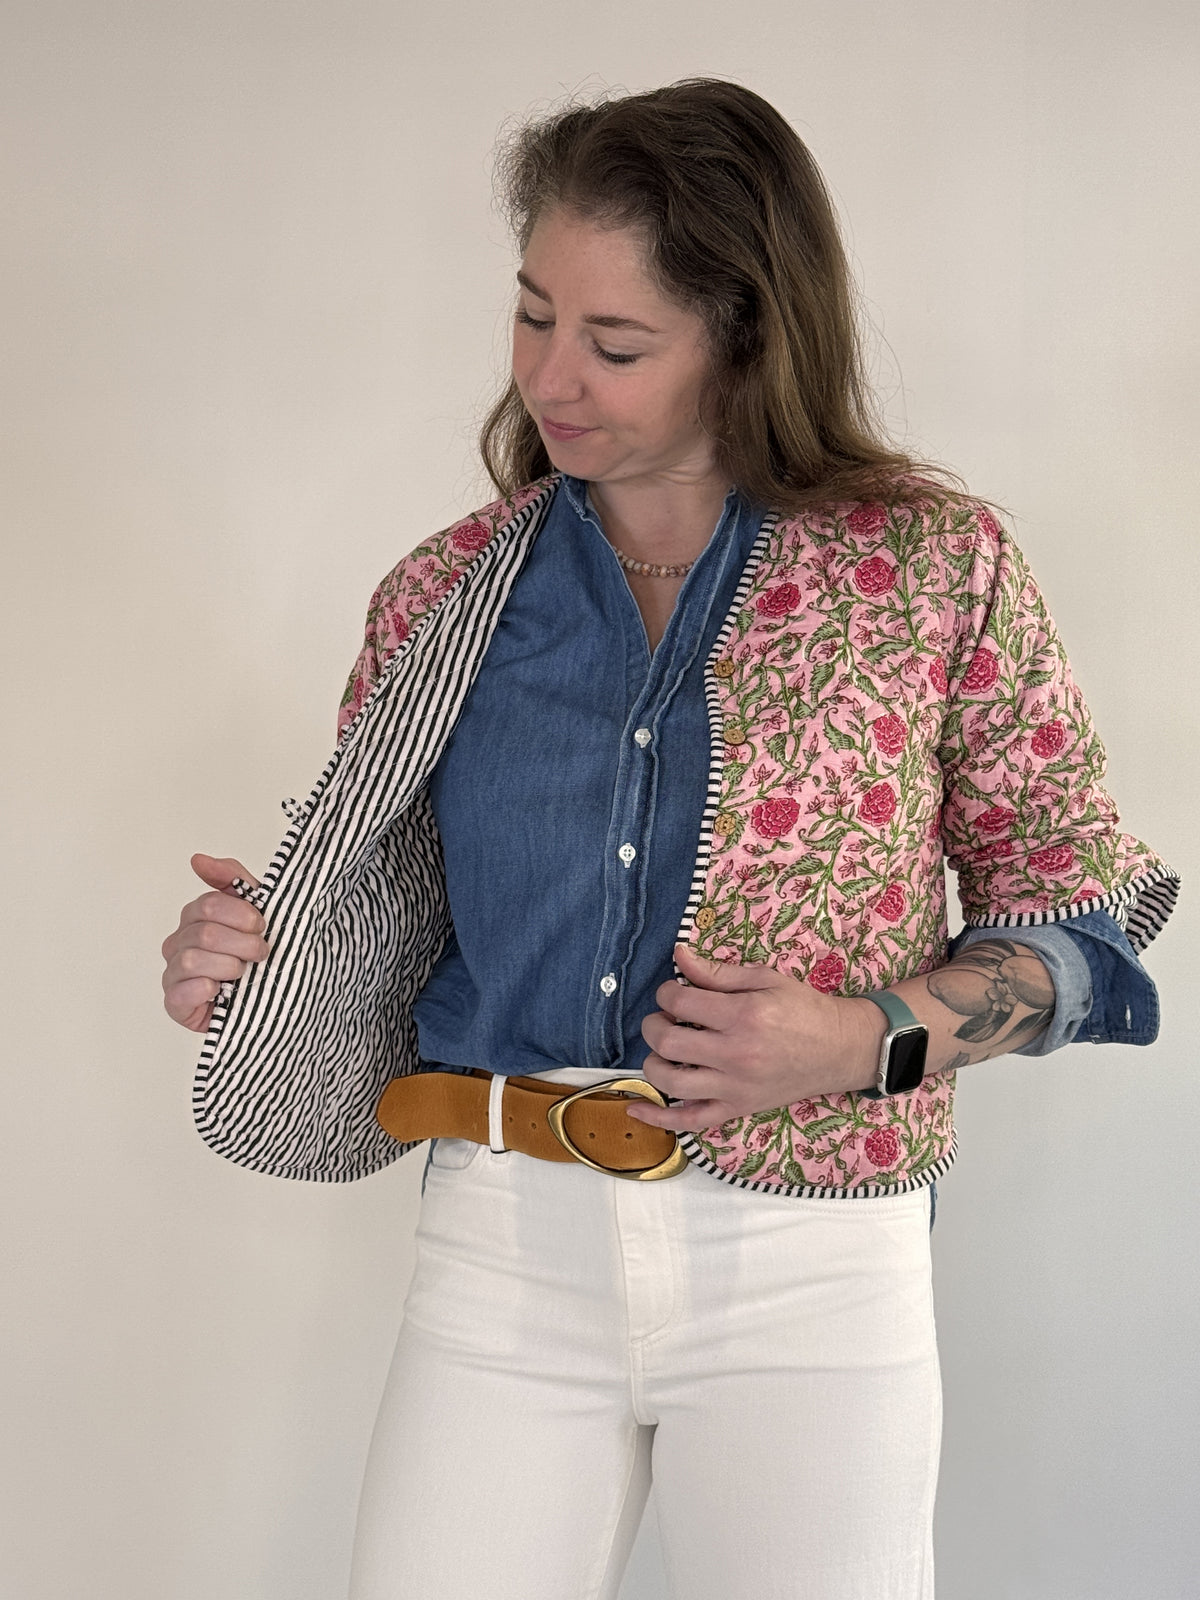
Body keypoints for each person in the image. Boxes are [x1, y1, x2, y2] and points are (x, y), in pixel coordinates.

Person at [160, 79, 1177, 1600]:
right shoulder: (445, 597)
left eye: (615, 343)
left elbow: (1092, 919)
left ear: (749, 338)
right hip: (501, 1250)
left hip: (813, 1271)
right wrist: (250, 962)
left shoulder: (927, 568)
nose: (550, 377)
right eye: (531, 317)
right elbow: (385, 925)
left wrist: (864, 1037)